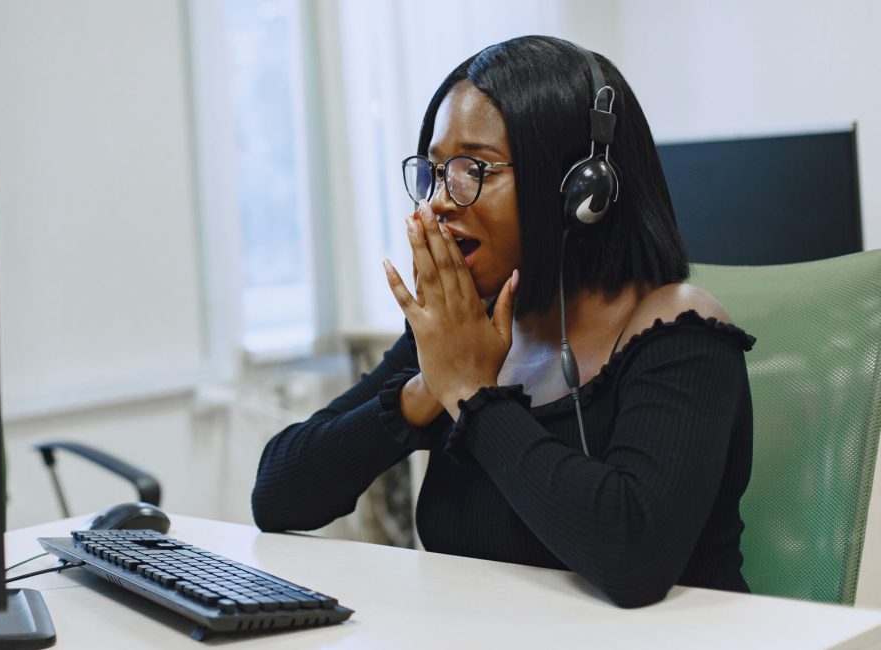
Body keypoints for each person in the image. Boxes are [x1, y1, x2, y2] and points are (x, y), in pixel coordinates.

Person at [250, 35, 754, 609]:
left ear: (580, 189)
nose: (437, 202)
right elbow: (277, 494)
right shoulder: (459, 332)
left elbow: (631, 555)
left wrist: (470, 393)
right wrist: (425, 390)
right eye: (435, 172)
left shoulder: (679, 328)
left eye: (473, 170)